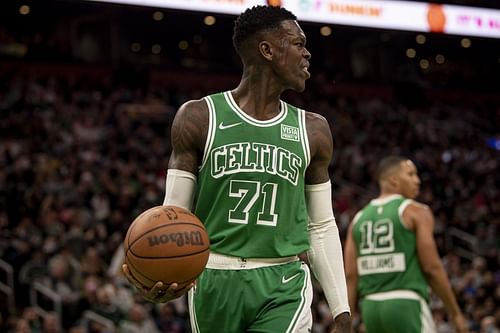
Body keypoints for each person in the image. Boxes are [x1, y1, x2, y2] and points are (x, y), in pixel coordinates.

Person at [122, 5, 351, 333]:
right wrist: (164, 273)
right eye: (298, 44)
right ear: (267, 50)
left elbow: (321, 224)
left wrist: (340, 308)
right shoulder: (200, 117)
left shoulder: (313, 129)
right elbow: (174, 215)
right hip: (213, 278)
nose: (307, 54)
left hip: (283, 280)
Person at [344, 156, 469, 333]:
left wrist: (346, 321)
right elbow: (431, 267)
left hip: (370, 308)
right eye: (411, 174)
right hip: (407, 303)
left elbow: (350, 276)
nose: (417, 181)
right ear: (393, 180)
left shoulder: (358, 219)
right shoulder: (416, 211)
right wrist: (455, 312)